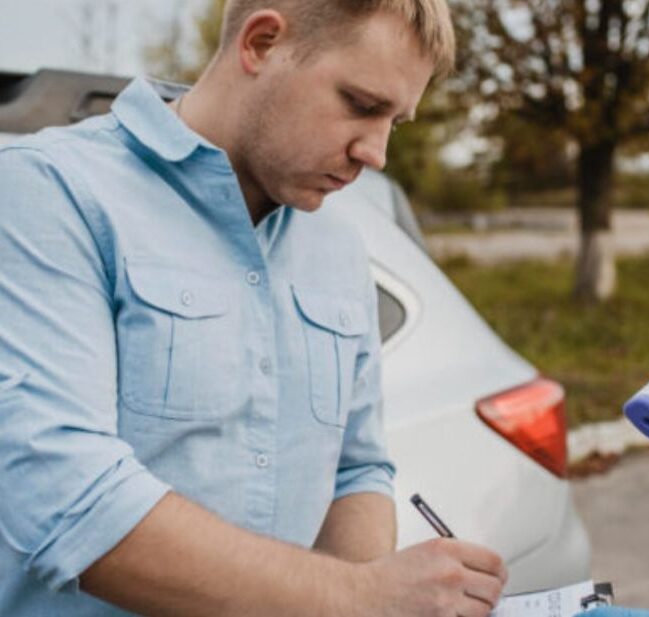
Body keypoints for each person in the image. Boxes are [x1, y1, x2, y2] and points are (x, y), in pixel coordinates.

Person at [0, 1, 507, 615]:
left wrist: (373, 600)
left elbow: (358, 469)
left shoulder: (342, 244)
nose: (376, 153)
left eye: (394, 122)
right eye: (363, 105)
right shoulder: (48, 192)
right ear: (262, 44)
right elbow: (70, 500)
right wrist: (359, 598)